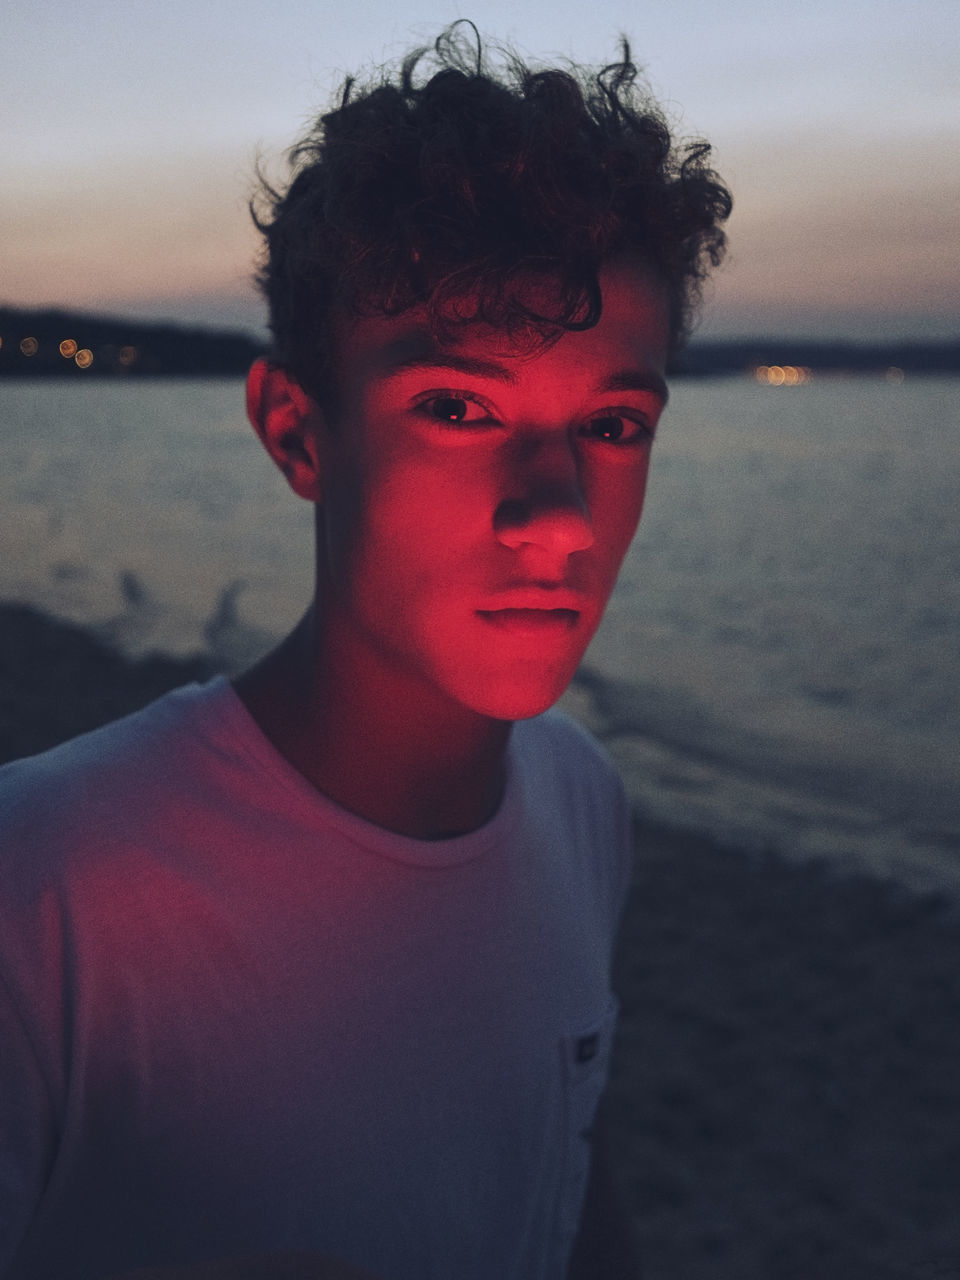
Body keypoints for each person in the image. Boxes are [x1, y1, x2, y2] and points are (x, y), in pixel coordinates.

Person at [0, 24, 730, 1280]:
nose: (556, 514)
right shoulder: (45, 888)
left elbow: (560, 1181)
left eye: (613, 422)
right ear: (298, 432)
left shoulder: (583, 804)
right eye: (458, 407)